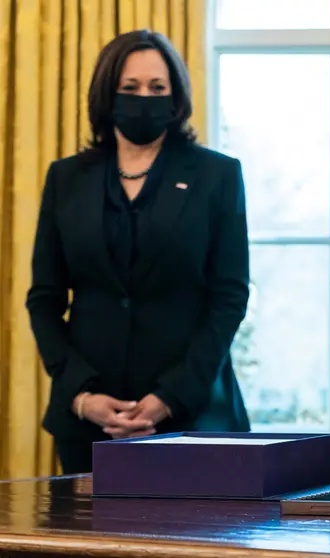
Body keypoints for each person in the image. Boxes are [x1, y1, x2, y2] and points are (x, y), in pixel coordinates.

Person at [26, 30, 251, 474]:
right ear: (107, 95)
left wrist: (169, 397)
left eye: (157, 88)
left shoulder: (216, 175)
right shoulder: (66, 178)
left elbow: (229, 297)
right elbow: (45, 300)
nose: (143, 97)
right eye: (129, 88)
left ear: (176, 96)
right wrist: (80, 395)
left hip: (193, 418)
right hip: (88, 424)